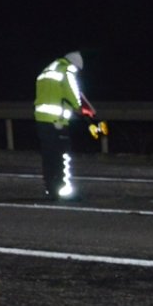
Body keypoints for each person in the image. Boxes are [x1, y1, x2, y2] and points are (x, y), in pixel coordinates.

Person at [34, 50, 90, 200]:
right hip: (56, 122)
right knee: (62, 156)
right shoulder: (67, 70)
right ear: (75, 65)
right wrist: (79, 108)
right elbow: (71, 90)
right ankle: (62, 189)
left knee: (49, 156)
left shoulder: (48, 69)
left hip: (42, 120)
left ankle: (51, 189)